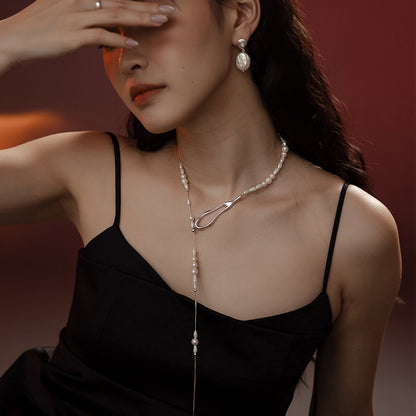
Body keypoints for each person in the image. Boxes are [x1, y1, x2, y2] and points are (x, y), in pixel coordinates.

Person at [0, 0, 402, 415]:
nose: (126, 60)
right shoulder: (91, 170)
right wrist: (6, 41)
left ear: (240, 15)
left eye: (152, 20)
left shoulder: (352, 235)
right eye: (108, 38)